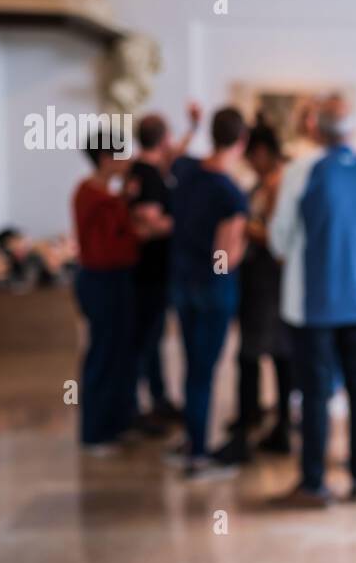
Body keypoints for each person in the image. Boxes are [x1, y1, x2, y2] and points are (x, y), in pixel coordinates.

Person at [276, 101, 356, 507]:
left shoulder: (300, 171)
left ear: (316, 130)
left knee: (315, 392)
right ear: (351, 130)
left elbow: (279, 237)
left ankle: (314, 483)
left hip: (315, 303)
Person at [168, 107, 249, 478]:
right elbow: (225, 255)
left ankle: (191, 438)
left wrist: (192, 127)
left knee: (190, 366)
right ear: (241, 141)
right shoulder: (230, 192)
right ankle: (198, 453)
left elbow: (171, 154)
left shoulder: (186, 171)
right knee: (204, 370)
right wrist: (244, 246)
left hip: (182, 282)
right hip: (212, 288)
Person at [214, 122, 293, 465]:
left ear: (261, 152)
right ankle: (272, 424)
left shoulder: (278, 183)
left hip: (268, 282)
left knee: (257, 355)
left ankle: (251, 428)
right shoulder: (269, 182)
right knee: (275, 356)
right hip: (263, 281)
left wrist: (243, 226)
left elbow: (276, 237)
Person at [71, 133, 139, 456]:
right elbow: (110, 246)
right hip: (102, 280)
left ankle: (113, 424)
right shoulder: (93, 197)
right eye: (119, 156)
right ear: (104, 158)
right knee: (102, 352)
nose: (125, 162)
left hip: (113, 279)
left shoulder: (104, 196)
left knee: (118, 353)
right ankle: (94, 432)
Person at [127, 109, 194, 427]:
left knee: (152, 340)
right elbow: (147, 224)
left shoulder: (144, 170)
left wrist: (193, 126)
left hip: (151, 270)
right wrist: (185, 219)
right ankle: (138, 406)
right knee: (147, 339)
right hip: (151, 271)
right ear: (163, 138)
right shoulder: (149, 176)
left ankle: (157, 398)